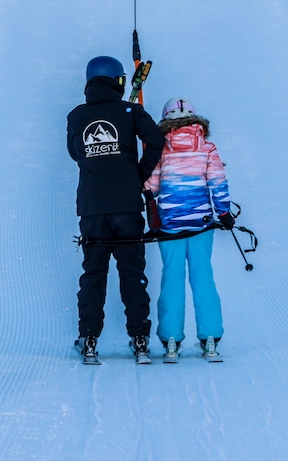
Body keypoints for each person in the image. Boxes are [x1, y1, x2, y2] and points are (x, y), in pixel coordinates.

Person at [67, 55, 165, 361]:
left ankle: (89, 339)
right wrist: (139, 173)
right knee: (132, 273)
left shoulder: (76, 115)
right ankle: (140, 339)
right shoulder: (131, 111)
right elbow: (156, 139)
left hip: (92, 209)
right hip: (126, 206)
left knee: (93, 274)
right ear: (119, 81)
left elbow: (75, 152)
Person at [143, 97, 234, 359]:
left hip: (169, 224)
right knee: (203, 276)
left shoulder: (160, 149)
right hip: (201, 225)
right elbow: (217, 182)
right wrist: (224, 212)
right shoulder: (207, 148)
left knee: (172, 277)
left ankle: (171, 338)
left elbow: (152, 188)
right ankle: (210, 338)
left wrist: (145, 171)